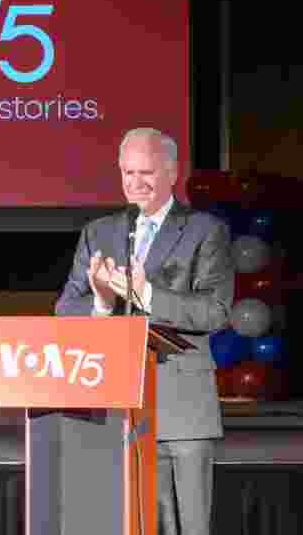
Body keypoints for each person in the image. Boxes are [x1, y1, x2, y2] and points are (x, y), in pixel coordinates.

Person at [55, 127, 234, 535]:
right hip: (112, 407)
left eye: (146, 173)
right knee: (124, 523)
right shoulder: (98, 232)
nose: (136, 184)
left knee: (188, 526)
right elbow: (66, 309)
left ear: (172, 172)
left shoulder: (205, 230)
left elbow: (215, 310)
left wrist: (148, 294)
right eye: (127, 173)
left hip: (182, 409)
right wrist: (101, 301)